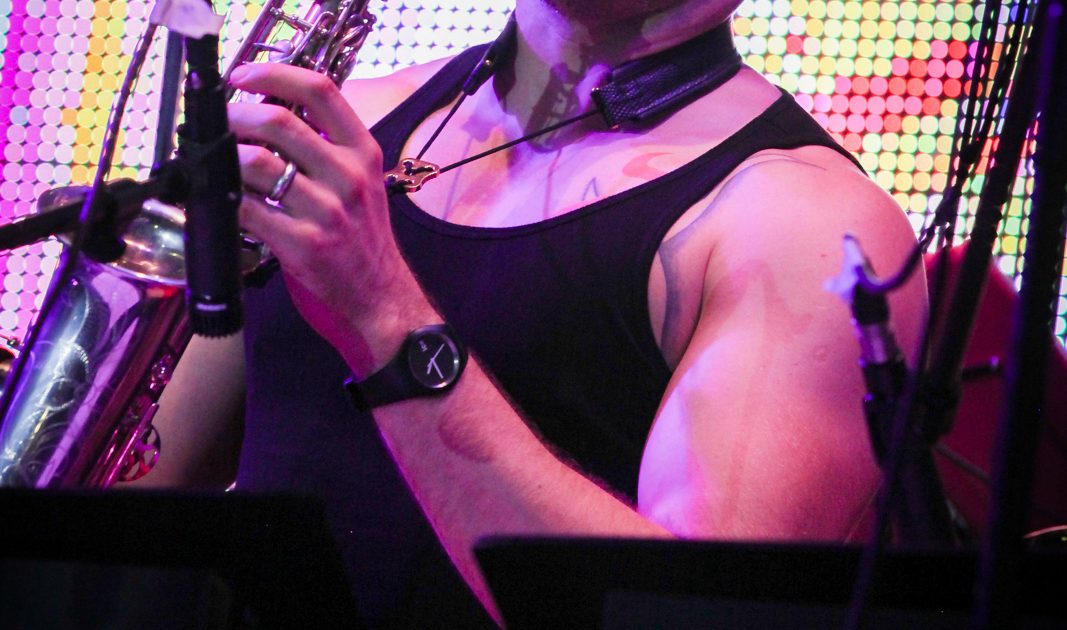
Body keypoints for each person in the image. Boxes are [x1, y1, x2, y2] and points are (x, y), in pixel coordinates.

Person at [142, 0, 928, 626]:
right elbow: (146, 493)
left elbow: (686, 615)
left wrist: (382, 312)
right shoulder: (347, 120)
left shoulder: (805, 223)